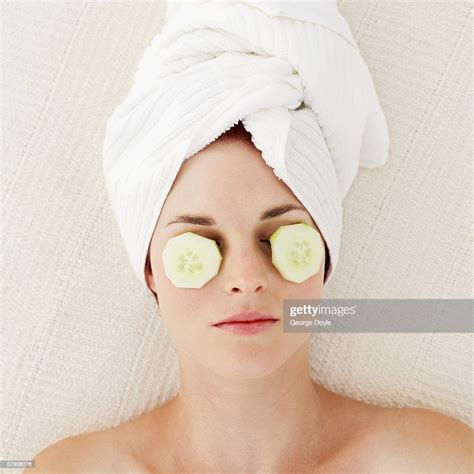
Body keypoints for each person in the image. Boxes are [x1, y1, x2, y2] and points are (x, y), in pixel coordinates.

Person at [31, 122, 473, 473]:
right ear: (151, 271)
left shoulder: (437, 463)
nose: (246, 279)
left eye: (277, 237)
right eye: (201, 243)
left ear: (324, 258)